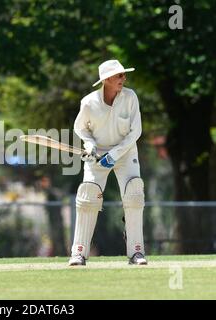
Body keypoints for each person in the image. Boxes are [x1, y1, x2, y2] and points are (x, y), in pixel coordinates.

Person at [69, 59, 147, 266]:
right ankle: (79, 253)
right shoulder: (88, 102)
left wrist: (114, 154)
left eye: (123, 75)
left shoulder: (130, 97)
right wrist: (89, 145)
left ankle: (136, 252)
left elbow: (135, 131)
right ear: (107, 80)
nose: (124, 78)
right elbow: (81, 128)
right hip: (98, 154)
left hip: (125, 152)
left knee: (134, 195)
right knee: (88, 198)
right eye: (119, 75)